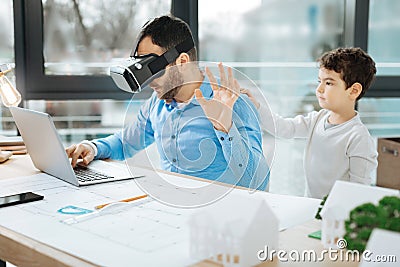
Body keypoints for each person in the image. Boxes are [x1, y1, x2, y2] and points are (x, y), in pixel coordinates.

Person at [66, 15, 269, 190]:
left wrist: (225, 128)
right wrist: (92, 147)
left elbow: (258, 181)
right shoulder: (158, 103)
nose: (149, 82)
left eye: (154, 71)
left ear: (181, 62)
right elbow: (125, 142)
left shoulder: (233, 101)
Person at [242, 47, 378, 198]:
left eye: (329, 83)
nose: (319, 89)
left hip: (337, 213)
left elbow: (359, 190)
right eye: (319, 81)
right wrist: (257, 107)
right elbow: (283, 128)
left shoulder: (358, 137)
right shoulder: (317, 119)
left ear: (353, 91)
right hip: (312, 206)